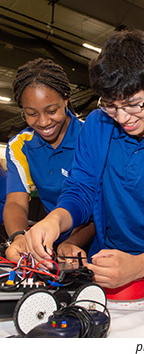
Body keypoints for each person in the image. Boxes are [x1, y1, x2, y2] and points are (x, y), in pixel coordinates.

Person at [23, 29, 144, 297]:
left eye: (133, 104)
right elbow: (80, 190)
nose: (122, 118)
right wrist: (55, 221)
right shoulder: (97, 124)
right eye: (110, 105)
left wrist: (140, 265)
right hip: (105, 269)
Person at [3, 58, 95, 262]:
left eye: (51, 111)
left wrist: (72, 242)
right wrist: (18, 237)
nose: (43, 122)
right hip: (49, 243)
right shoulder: (20, 146)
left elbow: (101, 206)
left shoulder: (90, 137)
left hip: (92, 244)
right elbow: (16, 203)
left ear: (66, 99)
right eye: (31, 114)